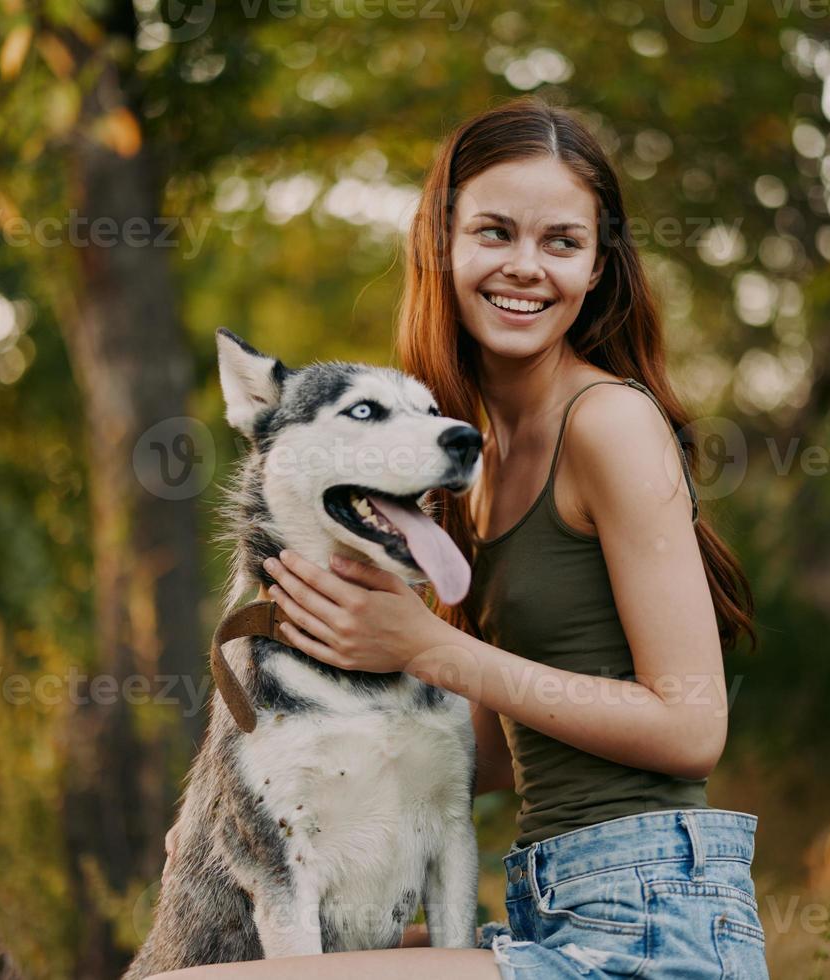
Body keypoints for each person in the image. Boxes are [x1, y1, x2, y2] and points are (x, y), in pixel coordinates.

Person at [151, 97, 767, 979]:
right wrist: (233, 810)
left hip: (652, 927)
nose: (526, 266)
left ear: (597, 268)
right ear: (440, 248)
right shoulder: (464, 469)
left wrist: (430, 647)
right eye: (495, 232)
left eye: (562, 242)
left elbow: (693, 726)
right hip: (549, 913)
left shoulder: (609, 425)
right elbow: (494, 751)